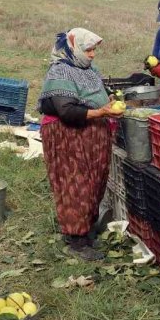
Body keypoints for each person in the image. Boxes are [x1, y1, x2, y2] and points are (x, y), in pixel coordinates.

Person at [38, 29, 124, 260]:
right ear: (73, 49)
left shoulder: (89, 70)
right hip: (67, 135)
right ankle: (76, 241)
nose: (93, 54)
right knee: (75, 183)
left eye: (94, 49)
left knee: (94, 181)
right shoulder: (61, 71)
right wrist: (101, 111)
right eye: (88, 50)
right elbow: (66, 111)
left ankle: (85, 231)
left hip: (91, 134)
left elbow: (99, 95)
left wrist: (109, 106)